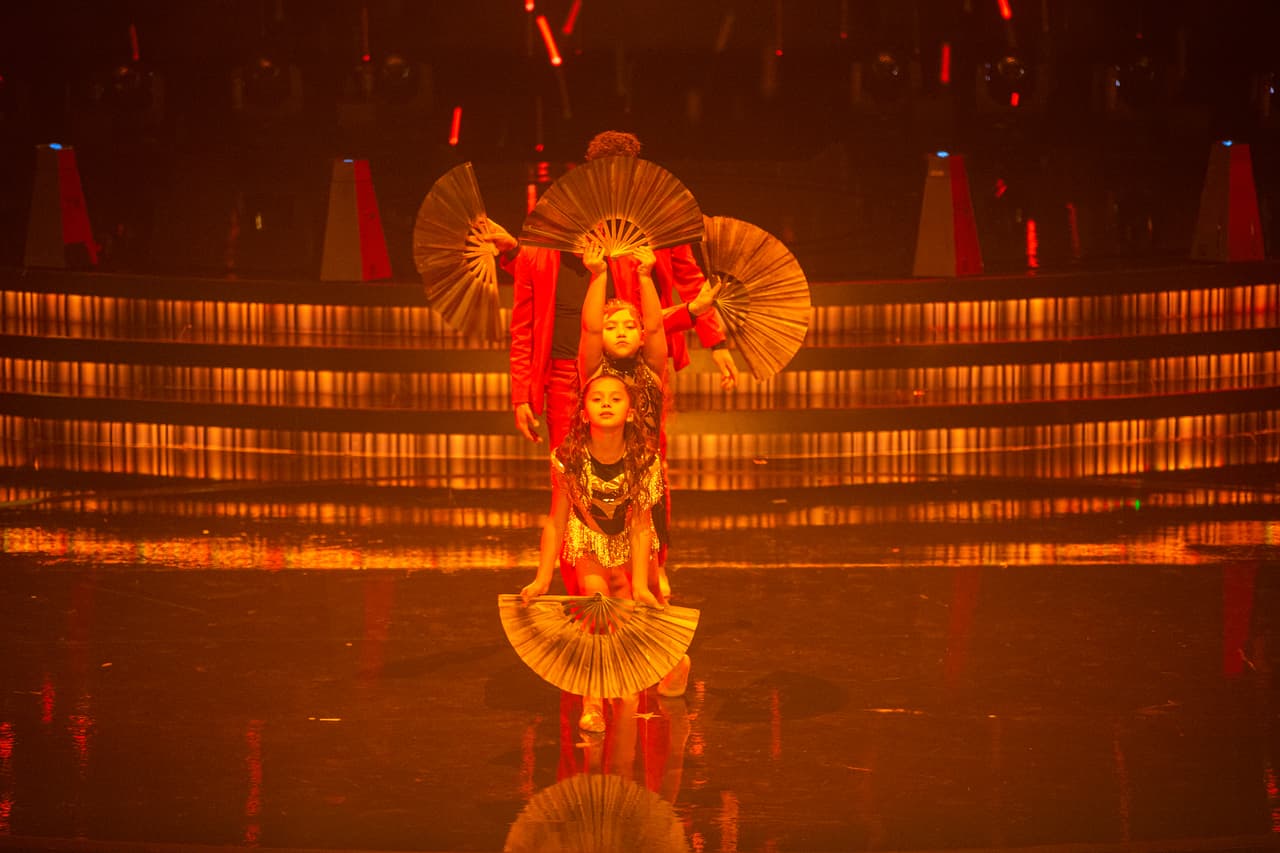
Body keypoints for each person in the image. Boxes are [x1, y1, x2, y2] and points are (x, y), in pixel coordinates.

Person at [519, 369, 674, 731]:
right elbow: (556, 519)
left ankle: (658, 669)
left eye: (616, 398)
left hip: (629, 540)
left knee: (625, 612)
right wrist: (543, 579)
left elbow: (640, 525)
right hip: (587, 537)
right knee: (596, 605)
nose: (606, 403)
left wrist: (638, 584)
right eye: (597, 398)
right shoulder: (568, 456)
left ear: (632, 411)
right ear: (584, 412)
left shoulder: (645, 459)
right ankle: (592, 701)